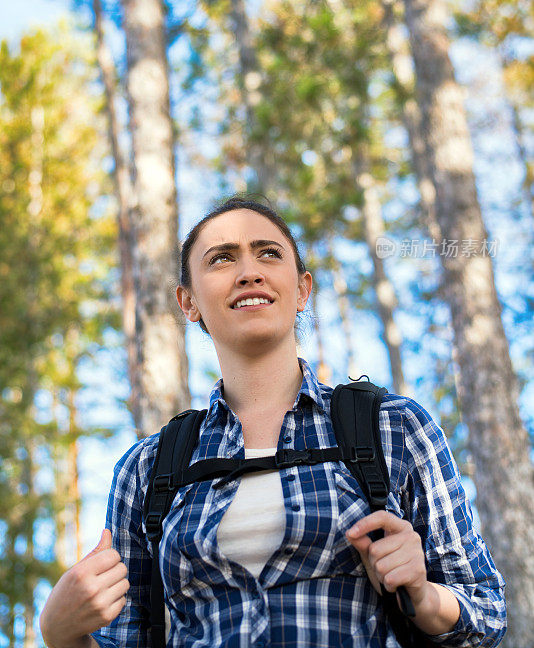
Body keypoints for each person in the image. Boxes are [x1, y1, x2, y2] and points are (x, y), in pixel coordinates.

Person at [40, 196, 506, 648]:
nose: (249, 272)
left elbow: (485, 616)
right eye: (221, 259)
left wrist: (422, 595)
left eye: (268, 253)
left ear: (302, 289)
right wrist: (61, 635)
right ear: (189, 303)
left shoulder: (395, 429)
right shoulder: (147, 468)